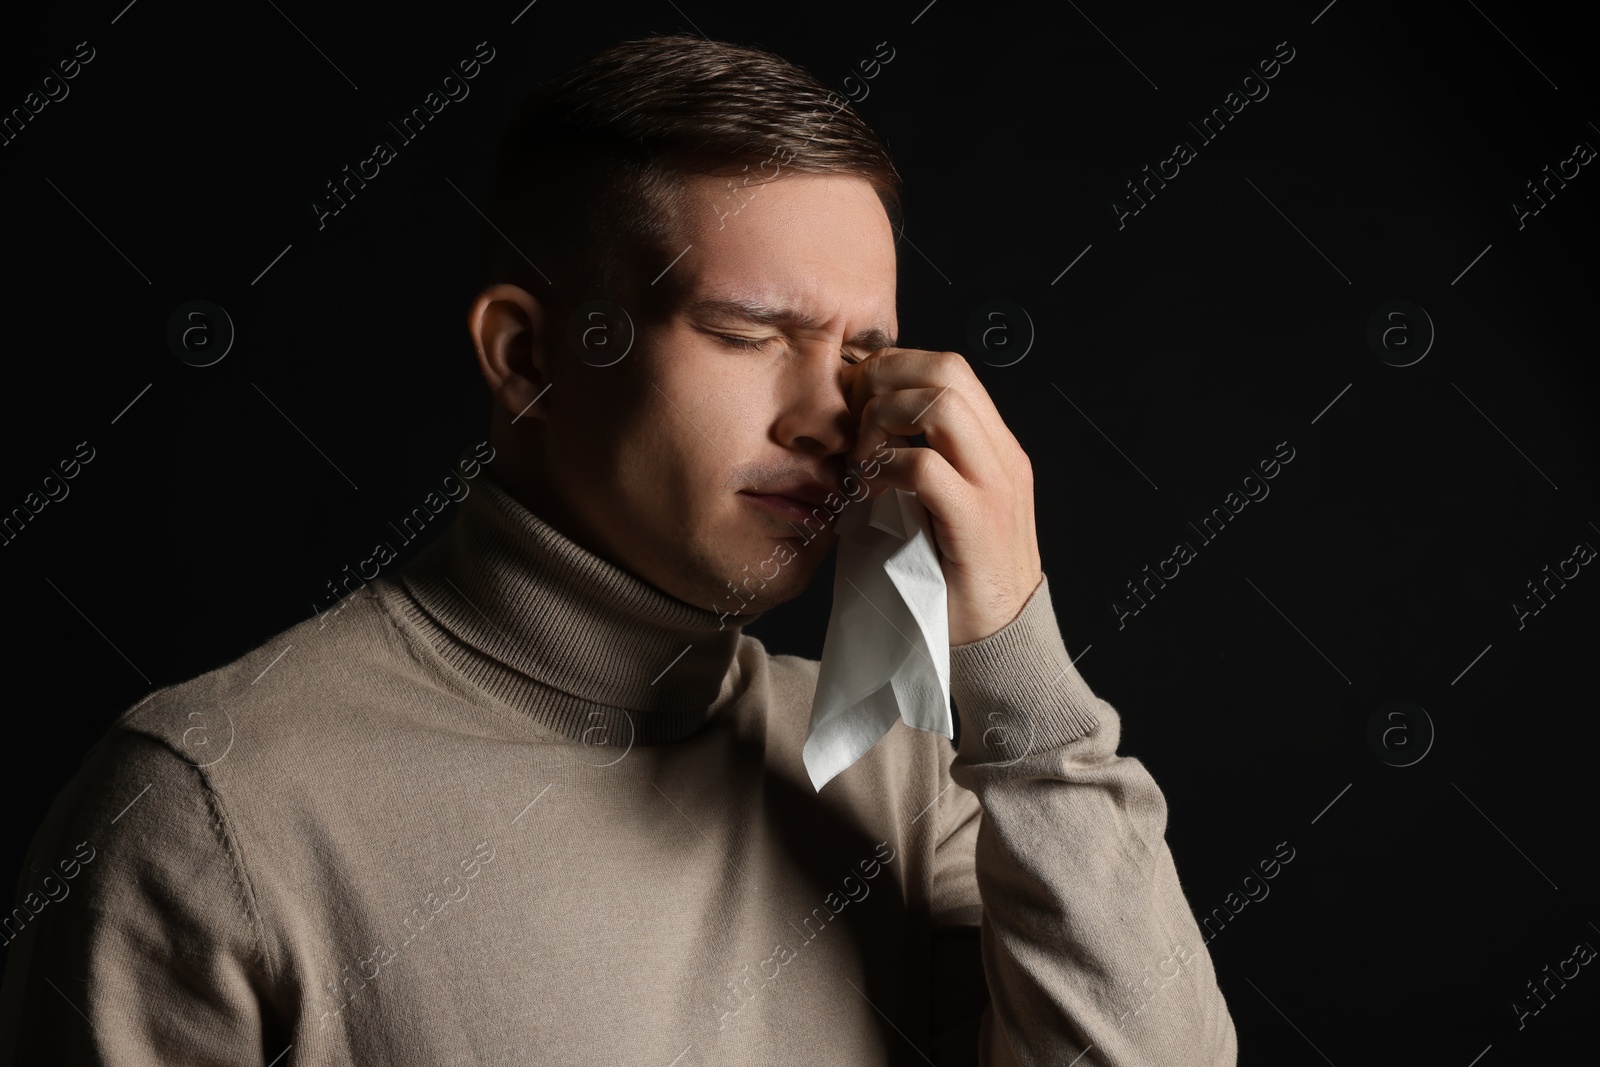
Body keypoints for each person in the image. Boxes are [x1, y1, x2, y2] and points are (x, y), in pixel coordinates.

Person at [0, 32, 1237, 1065]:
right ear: (528, 357)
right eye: (752, 331)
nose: (833, 416)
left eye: (867, 353)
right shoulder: (207, 804)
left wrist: (1016, 661)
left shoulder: (916, 781)